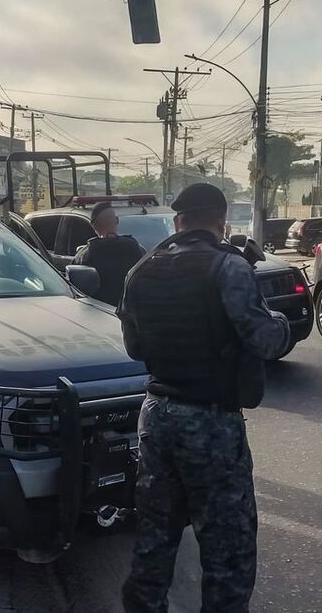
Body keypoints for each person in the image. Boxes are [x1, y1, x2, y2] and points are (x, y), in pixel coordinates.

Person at [118, 183, 290, 613]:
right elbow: (266, 341)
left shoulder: (141, 270)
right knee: (228, 547)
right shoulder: (229, 269)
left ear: (178, 222)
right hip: (210, 422)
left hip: (156, 415)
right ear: (220, 223)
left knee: (156, 533)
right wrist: (281, 320)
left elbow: (135, 348)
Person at [71, 201, 146, 306]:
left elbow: (75, 286)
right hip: (132, 309)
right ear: (116, 221)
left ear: (94, 226)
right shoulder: (136, 248)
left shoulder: (86, 254)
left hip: (100, 311)